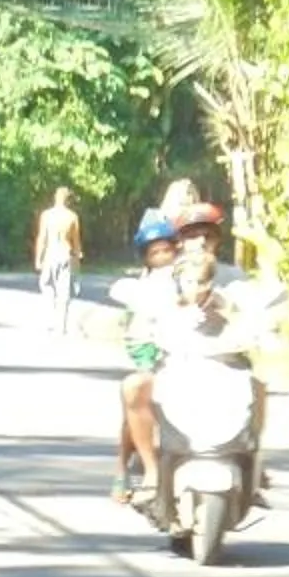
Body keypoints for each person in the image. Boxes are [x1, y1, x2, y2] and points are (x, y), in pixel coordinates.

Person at [119, 201, 281, 502]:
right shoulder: (163, 279)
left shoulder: (234, 277)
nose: (201, 241)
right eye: (193, 235)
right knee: (134, 387)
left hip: (226, 361)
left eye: (208, 234)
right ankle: (152, 471)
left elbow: (255, 312)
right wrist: (145, 336)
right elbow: (141, 317)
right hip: (176, 361)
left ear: (218, 240)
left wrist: (259, 328)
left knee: (258, 385)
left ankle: (254, 464)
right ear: (180, 240)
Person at [108, 212, 183, 497]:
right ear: (146, 257)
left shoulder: (192, 277)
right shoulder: (140, 289)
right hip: (154, 354)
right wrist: (149, 356)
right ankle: (126, 468)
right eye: (156, 253)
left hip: (192, 355)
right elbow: (136, 333)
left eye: (167, 250)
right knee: (138, 396)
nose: (163, 257)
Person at [31, 185, 84, 334]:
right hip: (65, 254)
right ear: (68, 200)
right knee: (64, 290)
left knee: (47, 285)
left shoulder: (47, 215)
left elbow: (42, 237)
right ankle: (61, 325)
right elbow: (76, 241)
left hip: (50, 254)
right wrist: (77, 261)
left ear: (55, 197)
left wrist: (38, 259)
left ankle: (50, 320)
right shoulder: (72, 217)